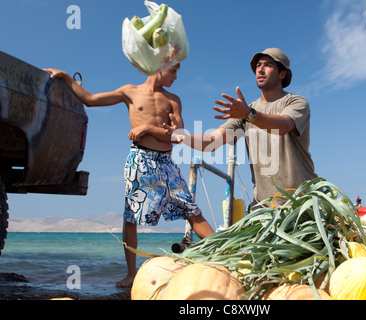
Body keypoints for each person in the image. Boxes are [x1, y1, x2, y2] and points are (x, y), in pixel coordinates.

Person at [44, 65, 214, 287]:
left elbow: (178, 136)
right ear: (158, 65)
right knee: (131, 218)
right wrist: (66, 77)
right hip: (140, 160)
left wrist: (148, 129)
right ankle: (131, 274)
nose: (176, 76)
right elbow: (90, 99)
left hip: (166, 163)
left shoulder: (173, 99)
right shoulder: (130, 92)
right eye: (173, 70)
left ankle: (223, 258)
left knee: (192, 210)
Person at [167, 48, 317, 210]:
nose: (260, 69)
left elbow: (283, 125)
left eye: (268, 65)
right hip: (264, 206)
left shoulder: (295, 103)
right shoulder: (246, 111)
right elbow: (212, 142)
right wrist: (183, 136)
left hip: (301, 203)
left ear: (282, 74)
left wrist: (248, 114)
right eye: (258, 65)